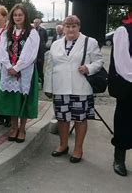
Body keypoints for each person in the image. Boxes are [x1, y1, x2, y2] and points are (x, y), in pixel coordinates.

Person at [44, 15, 104, 163]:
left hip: (80, 87)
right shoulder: (56, 44)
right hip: (60, 87)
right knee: (62, 118)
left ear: (79, 27)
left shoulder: (90, 42)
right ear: (63, 28)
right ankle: (63, 145)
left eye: (74, 26)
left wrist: (88, 68)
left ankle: (78, 149)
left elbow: (99, 61)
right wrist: (48, 87)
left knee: (80, 119)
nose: (71, 29)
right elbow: (50, 67)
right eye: (68, 26)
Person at [0, 4, 40, 143]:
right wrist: (8, 66)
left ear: (25, 16)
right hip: (8, 70)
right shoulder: (7, 32)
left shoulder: (32, 32)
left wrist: (17, 68)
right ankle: (13, 127)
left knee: (23, 99)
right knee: (12, 100)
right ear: (12, 16)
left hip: (25, 71)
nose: (17, 17)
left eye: (20, 15)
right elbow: (2, 51)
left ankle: (22, 128)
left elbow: (30, 54)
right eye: (15, 15)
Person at [109, 11, 132, 176]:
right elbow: (123, 64)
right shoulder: (123, 31)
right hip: (128, 85)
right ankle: (119, 159)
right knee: (124, 122)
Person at [33, 18, 48, 87]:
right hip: (33, 52)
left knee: (40, 68)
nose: (36, 24)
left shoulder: (43, 30)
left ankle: (43, 83)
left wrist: (42, 46)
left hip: (41, 52)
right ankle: (34, 83)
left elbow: (46, 39)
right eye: (34, 22)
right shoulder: (31, 30)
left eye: (37, 22)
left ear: (39, 23)